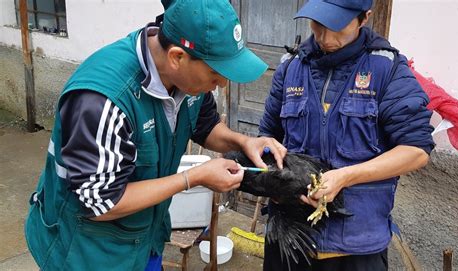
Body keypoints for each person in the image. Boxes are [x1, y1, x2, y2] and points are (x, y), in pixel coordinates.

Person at [24, 0, 287, 270]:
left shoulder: (186, 81)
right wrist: (192, 177)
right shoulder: (104, 102)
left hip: (145, 238)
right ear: (177, 57)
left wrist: (245, 141)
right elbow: (100, 202)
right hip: (88, 252)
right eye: (215, 73)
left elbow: (206, 126)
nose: (221, 83)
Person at [259, 0, 435, 270]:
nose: (325, 38)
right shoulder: (290, 67)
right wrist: (275, 187)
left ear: (364, 18)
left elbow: (416, 150)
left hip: (356, 248)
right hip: (289, 242)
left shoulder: (387, 69)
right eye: (318, 24)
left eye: (337, 26)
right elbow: (267, 139)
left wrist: (345, 176)